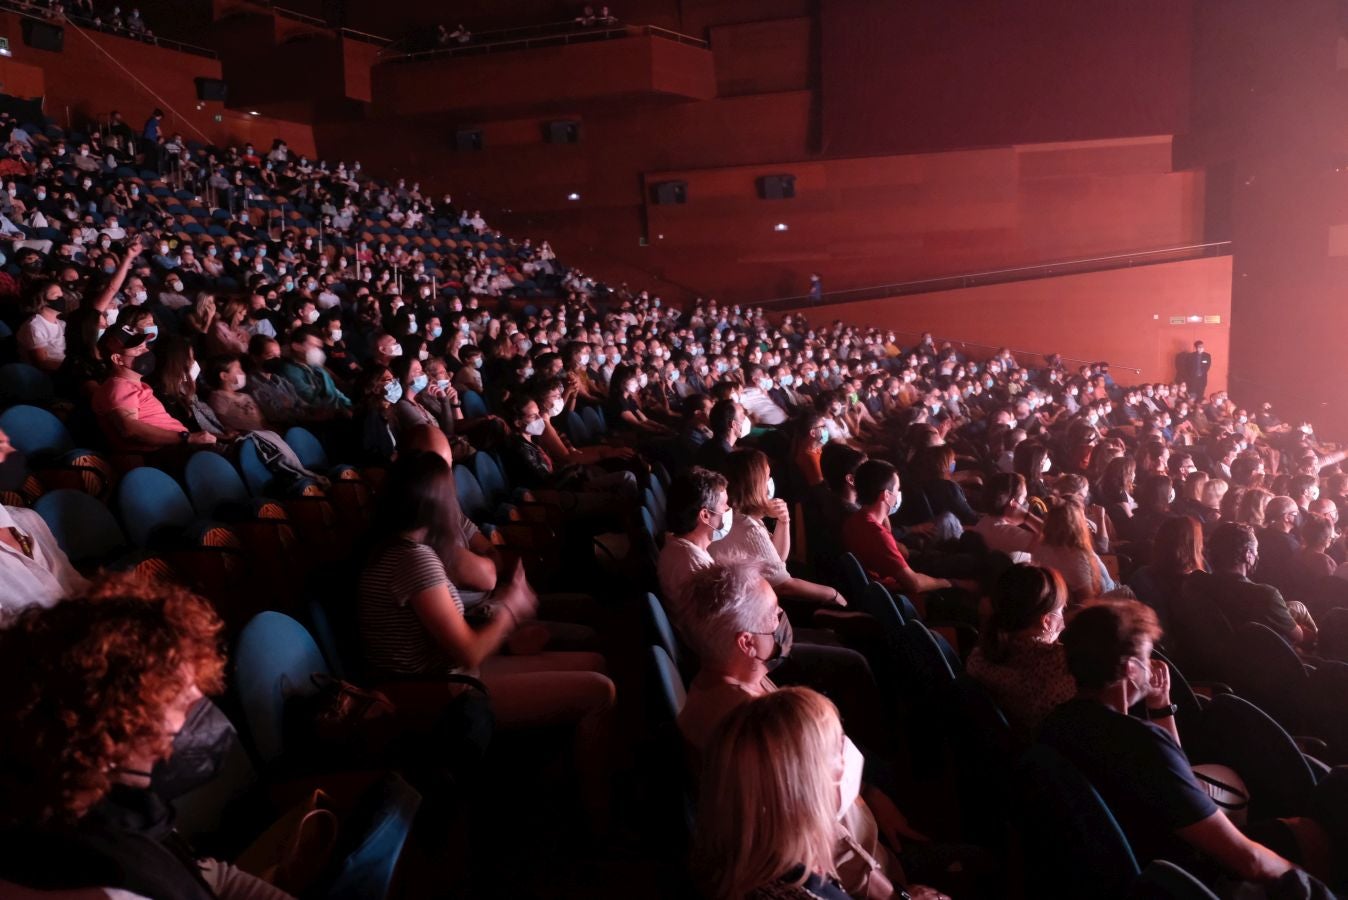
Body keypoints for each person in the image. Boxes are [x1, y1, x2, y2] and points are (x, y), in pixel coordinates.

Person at [356, 452, 615, 824]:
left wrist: (509, 640)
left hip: (450, 676)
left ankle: (561, 787)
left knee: (596, 663)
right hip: (441, 694)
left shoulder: (396, 550)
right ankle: (596, 820)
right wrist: (511, 608)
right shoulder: (414, 560)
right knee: (600, 693)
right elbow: (469, 651)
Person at [0, 574, 291, 899]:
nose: (198, 702)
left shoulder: (111, 801)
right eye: (179, 699)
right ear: (109, 728)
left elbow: (212, 877)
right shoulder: (104, 882)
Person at [1040, 599, 1299, 884]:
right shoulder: (1142, 743)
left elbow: (1176, 778)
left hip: (1117, 872)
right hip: (1178, 872)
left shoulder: (1053, 724)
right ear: (1130, 669)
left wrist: (1160, 705)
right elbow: (1248, 860)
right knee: (1301, 832)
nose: (1152, 668)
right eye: (1147, 657)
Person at [710, 449, 846, 608]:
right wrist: (833, 594)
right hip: (747, 606)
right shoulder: (746, 526)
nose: (770, 481)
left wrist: (784, 521)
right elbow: (784, 586)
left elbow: (778, 558)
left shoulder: (739, 516)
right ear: (755, 483)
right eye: (767, 477)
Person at [966, 564, 1074, 740]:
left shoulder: (980, 655)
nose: (1063, 622)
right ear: (1046, 621)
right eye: (1062, 610)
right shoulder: (1060, 665)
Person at [843, 460, 969, 598]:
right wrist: (951, 583)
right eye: (897, 489)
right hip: (904, 595)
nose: (898, 494)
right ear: (886, 495)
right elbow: (915, 584)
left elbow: (898, 549)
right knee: (965, 565)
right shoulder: (877, 535)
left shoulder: (854, 520)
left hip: (895, 579)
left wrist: (884, 511)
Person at [91, 324, 216, 455]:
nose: (146, 352)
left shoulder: (134, 385)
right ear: (117, 359)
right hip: (166, 455)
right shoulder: (118, 387)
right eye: (138, 349)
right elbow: (129, 429)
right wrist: (187, 438)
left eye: (145, 346)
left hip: (178, 449)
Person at [1031, 499, 1117, 603]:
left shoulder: (1039, 549)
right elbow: (1087, 601)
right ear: (1077, 523)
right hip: (1107, 601)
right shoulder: (1077, 556)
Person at [971, 472, 1041, 555]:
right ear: (1013, 503)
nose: (1026, 502)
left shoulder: (986, 521)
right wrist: (1027, 517)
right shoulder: (1006, 533)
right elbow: (1052, 542)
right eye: (1024, 497)